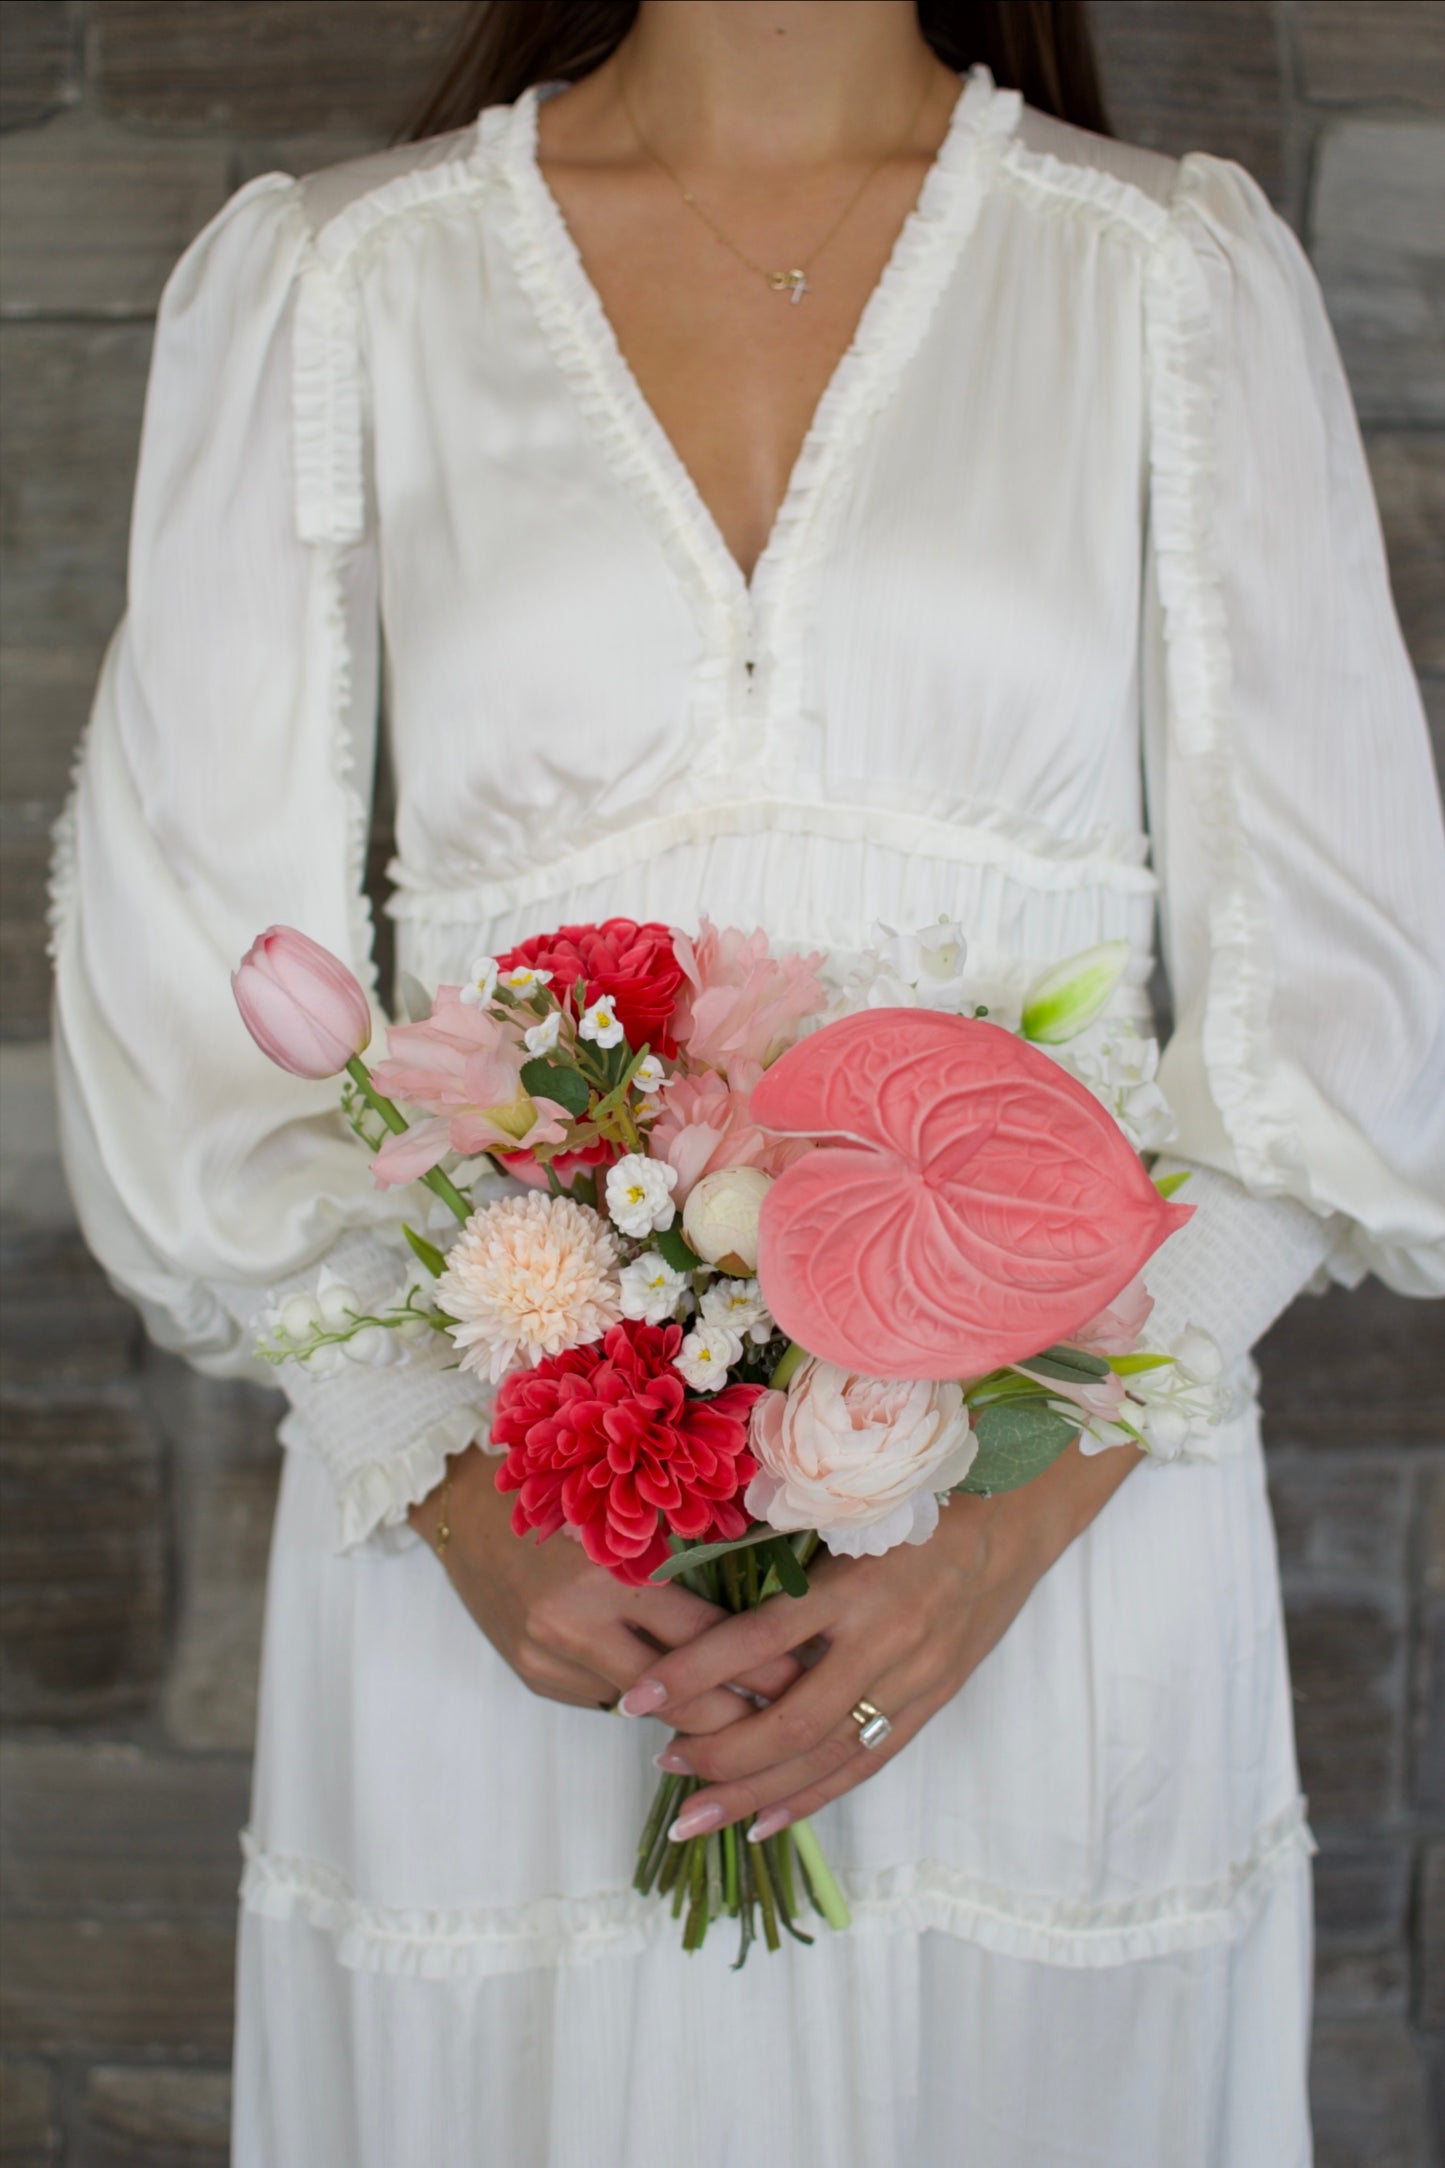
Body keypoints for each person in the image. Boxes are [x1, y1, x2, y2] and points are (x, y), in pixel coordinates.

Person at [47, 2, 1445, 2162]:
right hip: (519, 1589)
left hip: (1050, 1577)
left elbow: (1340, 1014)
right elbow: (186, 978)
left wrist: (1000, 1533)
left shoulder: (1162, 280)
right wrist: (437, 1464)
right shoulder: (338, 285)